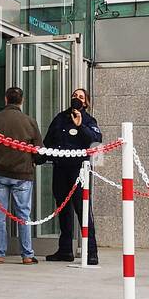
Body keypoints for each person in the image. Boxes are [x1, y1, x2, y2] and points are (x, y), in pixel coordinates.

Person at [44, 86, 101, 264]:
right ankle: (65, 250)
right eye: (74, 95)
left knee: (83, 211)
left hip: (79, 171)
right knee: (63, 211)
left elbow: (96, 141)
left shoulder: (89, 120)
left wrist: (80, 125)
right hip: (60, 169)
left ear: (86, 102)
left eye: (81, 97)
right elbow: (48, 141)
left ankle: (91, 252)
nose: (77, 98)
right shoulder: (60, 118)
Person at [0, 87, 41, 265]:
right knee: (23, 214)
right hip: (23, 173)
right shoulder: (29, 121)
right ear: (21, 101)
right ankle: (27, 255)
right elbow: (39, 150)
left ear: (6, 99)